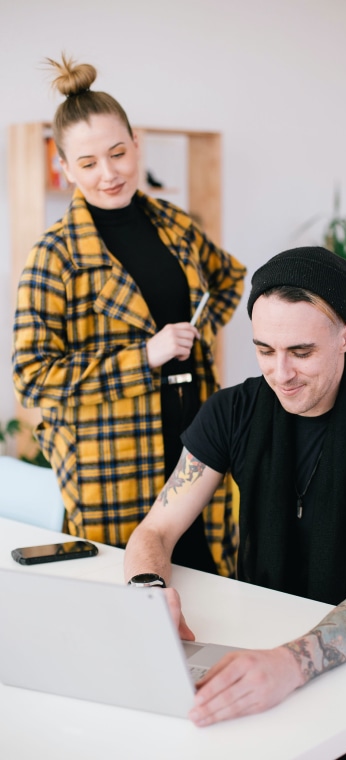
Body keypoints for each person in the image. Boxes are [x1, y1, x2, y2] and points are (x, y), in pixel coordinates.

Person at [124, 246, 346, 759]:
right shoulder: (233, 411)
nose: (280, 373)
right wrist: (149, 593)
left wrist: (289, 664)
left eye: (301, 352)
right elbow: (156, 530)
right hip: (254, 633)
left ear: (345, 336)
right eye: (265, 350)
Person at [12, 54, 246, 577]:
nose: (109, 174)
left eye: (118, 153)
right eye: (88, 163)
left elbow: (229, 278)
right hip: (110, 460)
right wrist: (145, 357)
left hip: (196, 437)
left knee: (212, 579)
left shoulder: (173, 224)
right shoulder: (54, 255)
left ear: (137, 143)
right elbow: (31, 379)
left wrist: (196, 336)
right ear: (64, 167)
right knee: (129, 590)